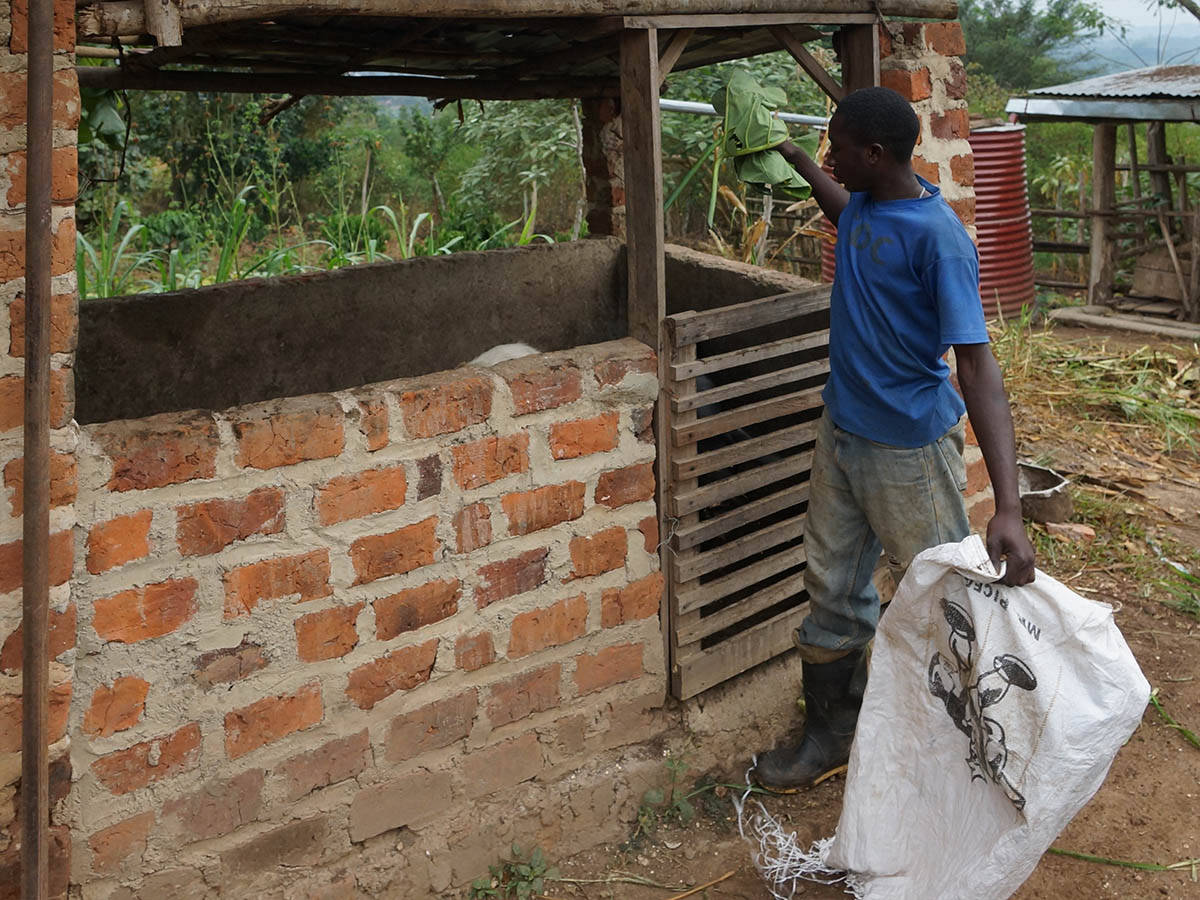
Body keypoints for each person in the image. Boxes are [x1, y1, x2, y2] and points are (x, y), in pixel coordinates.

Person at [753, 86, 1036, 793]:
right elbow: (845, 212)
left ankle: (984, 747)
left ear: (875, 154)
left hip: (908, 451)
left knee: (944, 597)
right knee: (832, 587)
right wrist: (786, 154)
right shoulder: (868, 207)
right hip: (843, 432)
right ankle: (833, 736)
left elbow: (976, 364)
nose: (829, 157)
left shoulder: (939, 240)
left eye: (836, 148)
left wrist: (1009, 506)